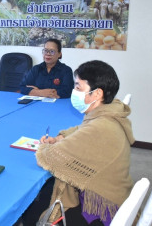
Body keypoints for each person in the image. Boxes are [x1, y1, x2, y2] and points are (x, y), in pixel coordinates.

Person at [22, 60, 135, 226]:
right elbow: (80, 129)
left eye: (78, 87)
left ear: (96, 94)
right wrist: (60, 138)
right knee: (45, 193)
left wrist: (45, 146)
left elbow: (48, 158)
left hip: (102, 212)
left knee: (32, 210)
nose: (74, 91)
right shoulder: (109, 112)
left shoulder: (100, 127)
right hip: (113, 197)